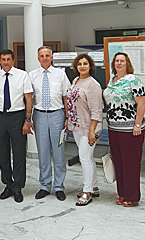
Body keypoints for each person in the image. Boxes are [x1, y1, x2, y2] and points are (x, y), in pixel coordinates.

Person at [0, 49, 33, 203]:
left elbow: (28, 98)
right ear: (0, 61)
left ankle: (18, 187)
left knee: (19, 153)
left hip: (17, 117)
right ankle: (8, 184)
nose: (5, 62)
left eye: (8, 59)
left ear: (13, 60)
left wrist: (27, 119)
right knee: (2, 153)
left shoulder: (22, 75)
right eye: (3, 59)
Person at [103, 52, 145, 207]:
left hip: (130, 129)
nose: (119, 63)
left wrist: (138, 125)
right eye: (117, 61)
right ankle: (122, 193)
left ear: (127, 63)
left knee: (130, 163)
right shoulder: (112, 81)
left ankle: (132, 196)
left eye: (122, 61)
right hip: (113, 128)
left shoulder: (133, 80)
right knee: (119, 162)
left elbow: (141, 104)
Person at [29, 46, 70, 201]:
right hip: (39, 115)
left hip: (57, 115)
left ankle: (59, 186)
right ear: (38, 58)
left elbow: (66, 97)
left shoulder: (60, 74)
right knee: (43, 152)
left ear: (52, 57)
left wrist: (67, 117)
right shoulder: (32, 75)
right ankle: (45, 185)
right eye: (42, 56)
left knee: (59, 152)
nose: (45, 58)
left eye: (47, 55)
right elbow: (29, 98)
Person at [67, 54, 103, 206]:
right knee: (88, 157)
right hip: (78, 125)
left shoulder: (93, 85)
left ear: (90, 66)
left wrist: (91, 131)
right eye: (80, 64)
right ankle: (93, 186)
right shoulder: (76, 81)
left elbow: (96, 111)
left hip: (90, 126)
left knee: (84, 158)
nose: (82, 66)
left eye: (85, 64)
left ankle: (86, 192)